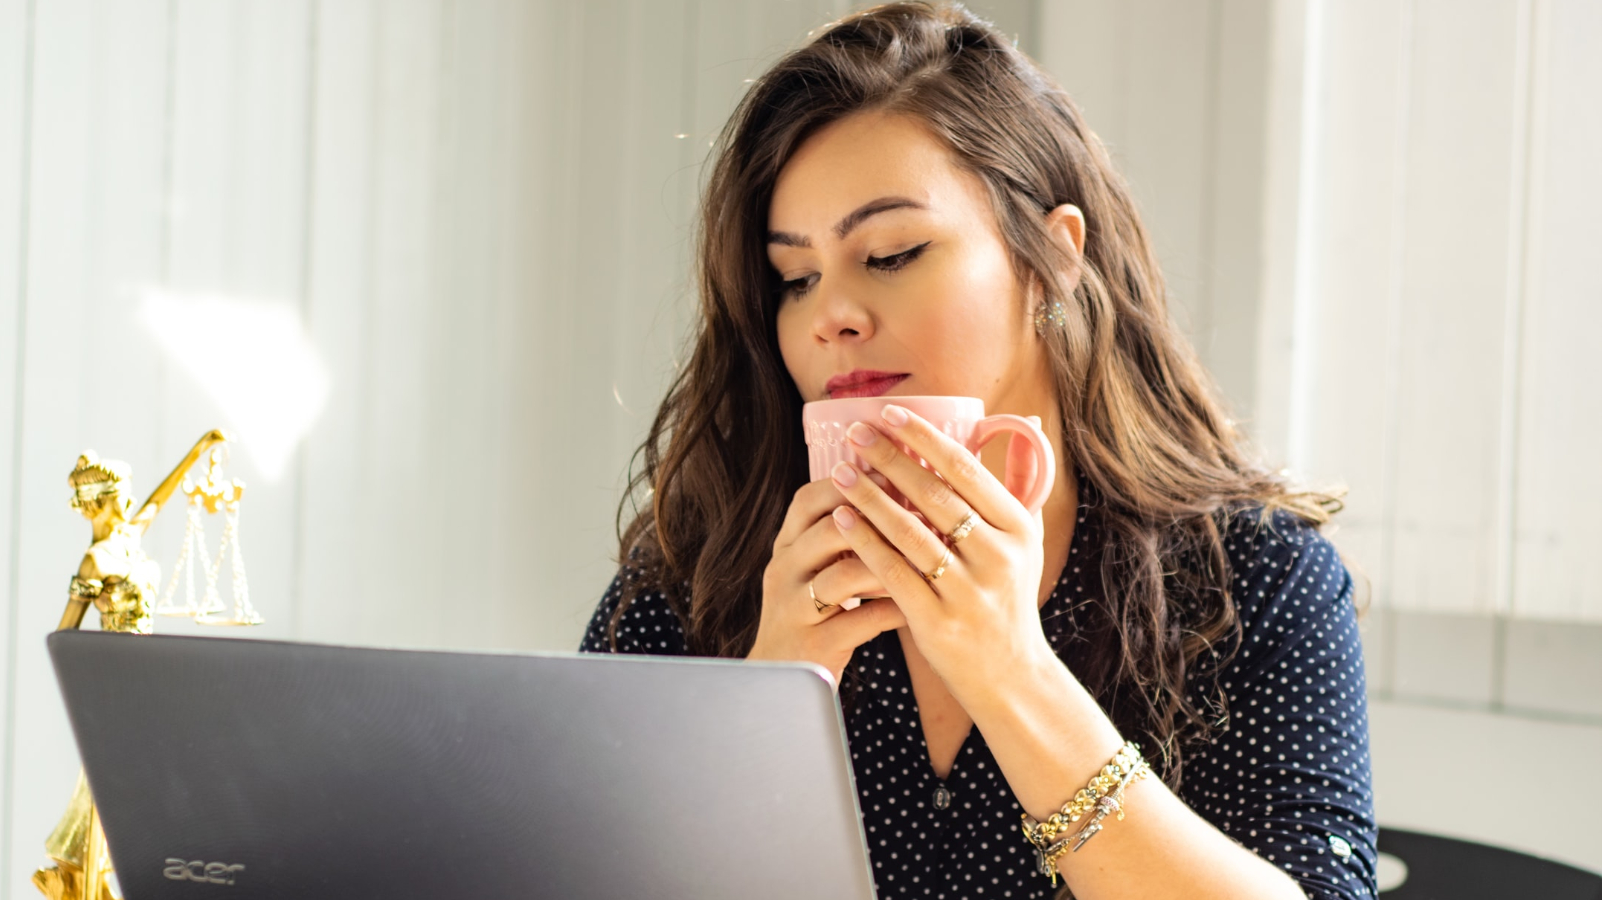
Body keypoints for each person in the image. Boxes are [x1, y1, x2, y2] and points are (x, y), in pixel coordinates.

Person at [578, 3, 1375, 898]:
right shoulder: (696, 571)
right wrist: (764, 706)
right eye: (794, 278)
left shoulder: (1259, 581)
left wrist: (1012, 672)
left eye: (891, 253)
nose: (829, 314)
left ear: (1053, 259)